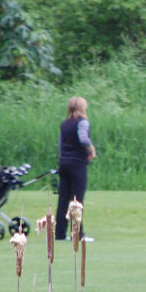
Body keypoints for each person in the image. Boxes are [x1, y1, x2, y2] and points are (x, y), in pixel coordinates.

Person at [55, 96, 96, 241]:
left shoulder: (64, 124)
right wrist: (91, 149)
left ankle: (59, 234)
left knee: (63, 199)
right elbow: (83, 138)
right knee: (77, 200)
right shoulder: (82, 122)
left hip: (64, 163)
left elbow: (60, 144)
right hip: (77, 164)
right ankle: (77, 234)